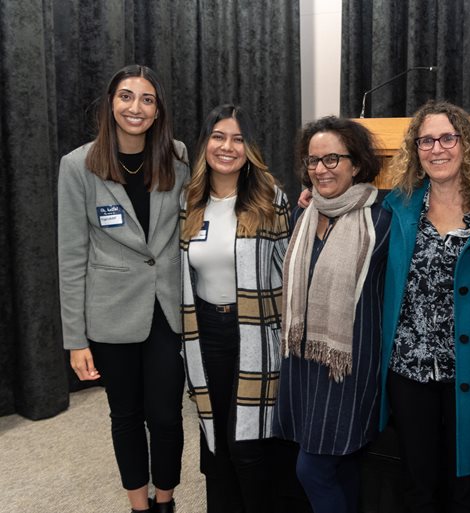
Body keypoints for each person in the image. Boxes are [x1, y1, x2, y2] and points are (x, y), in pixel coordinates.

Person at [58, 64, 188, 513]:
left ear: (158, 110)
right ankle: (138, 506)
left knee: (168, 418)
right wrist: (75, 340)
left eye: (147, 99)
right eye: (127, 96)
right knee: (126, 417)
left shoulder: (178, 156)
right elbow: (72, 255)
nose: (137, 107)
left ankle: (166, 501)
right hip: (110, 314)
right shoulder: (78, 165)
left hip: (167, 310)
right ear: (111, 104)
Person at [380, 100, 470, 512]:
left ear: (466, 144)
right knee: (417, 482)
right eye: (426, 140)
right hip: (409, 369)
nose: (436, 148)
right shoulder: (397, 206)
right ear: (415, 149)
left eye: (447, 137)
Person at [273, 116, 391, 513]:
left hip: (349, 367)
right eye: (313, 161)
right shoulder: (301, 218)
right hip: (304, 364)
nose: (320, 169)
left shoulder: (382, 221)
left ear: (356, 164)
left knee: (313, 470)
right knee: (341, 468)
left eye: (332, 160)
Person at [179, 104, 290, 513]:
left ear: (250, 148)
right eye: (219, 137)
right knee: (215, 447)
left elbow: (288, 272)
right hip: (204, 334)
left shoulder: (270, 199)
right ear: (205, 143)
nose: (227, 147)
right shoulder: (188, 201)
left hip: (256, 335)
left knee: (247, 445)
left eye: (238, 139)